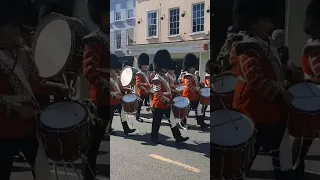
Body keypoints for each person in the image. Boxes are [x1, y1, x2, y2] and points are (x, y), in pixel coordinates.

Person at [230, 0, 293, 179]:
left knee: (277, 145)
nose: (271, 24)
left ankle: (282, 173)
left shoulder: (264, 42)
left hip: (271, 105)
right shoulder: (246, 45)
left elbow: (272, 70)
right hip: (253, 106)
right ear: (254, 21)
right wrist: (281, 93)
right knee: (249, 152)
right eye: (267, 20)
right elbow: (255, 78)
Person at [81, 0, 110, 179]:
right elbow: (89, 70)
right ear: (101, 14)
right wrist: (108, 85)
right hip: (100, 98)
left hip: (115, 97)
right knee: (92, 147)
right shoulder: (95, 39)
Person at [292, 1, 320, 179]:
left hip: (313, 94)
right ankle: (297, 166)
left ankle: (298, 165)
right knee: (304, 136)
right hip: (313, 94)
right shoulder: (315, 46)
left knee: (305, 137)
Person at [151, 49, 189, 144]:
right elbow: (157, 93)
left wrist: (177, 91)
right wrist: (167, 101)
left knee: (172, 121)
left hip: (167, 103)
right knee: (156, 123)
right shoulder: (156, 79)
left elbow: (170, 88)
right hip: (159, 105)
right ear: (161, 67)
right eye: (165, 67)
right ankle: (154, 138)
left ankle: (178, 137)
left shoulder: (166, 77)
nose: (167, 69)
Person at [181, 53, 210, 130]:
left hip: (195, 97)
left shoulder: (192, 75)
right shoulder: (187, 76)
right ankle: (183, 123)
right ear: (189, 67)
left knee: (199, 110)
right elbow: (189, 86)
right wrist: (197, 91)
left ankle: (201, 123)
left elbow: (195, 84)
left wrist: (200, 85)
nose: (194, 69)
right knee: (186, 112)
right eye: (193, 67)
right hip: (189, 96)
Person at [135, 53, 151, 122]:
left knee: (151, 103)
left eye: (146, 65)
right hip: (141, 92)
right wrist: (145, 88)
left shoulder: (148, 73)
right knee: (139, 106)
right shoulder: (139, 74)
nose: (146, 66)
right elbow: (138, 84)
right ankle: (137, 117)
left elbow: (150, 82)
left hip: (148, 91)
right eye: (144, 65)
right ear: (141, 66)